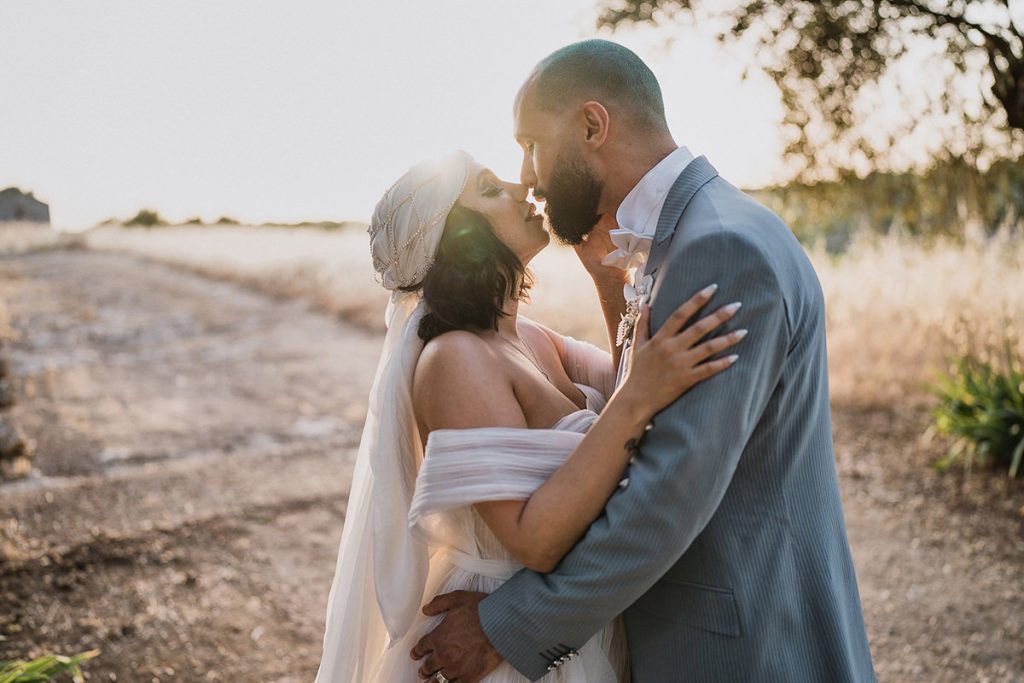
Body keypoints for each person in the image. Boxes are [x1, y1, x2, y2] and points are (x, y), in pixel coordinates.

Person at [411, 40, 876, 683]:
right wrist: (611, 282)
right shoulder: (698, 234)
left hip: (738, 644)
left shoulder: (719, 251)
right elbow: (639, 404)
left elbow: (668, 489)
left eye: (532, 145)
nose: (529, 175)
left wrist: (508, 624)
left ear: (592, 126)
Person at [314, 150, 745, 682]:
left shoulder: (531, 338)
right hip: (501, 634)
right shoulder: (456, 360)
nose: (523, 188)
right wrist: (638, 395)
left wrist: (607, 282)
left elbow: (626, 388)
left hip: (570, 618)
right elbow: (533, 540)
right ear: (461, 239)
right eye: (491, 190)